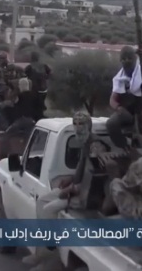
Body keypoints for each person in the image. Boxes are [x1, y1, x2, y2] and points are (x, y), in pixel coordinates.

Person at [22, 111, 98, 270]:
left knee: (49, 209)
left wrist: (72, 189)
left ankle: (51, 250)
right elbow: (82, 170)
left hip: (87, 194)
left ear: (89, 126)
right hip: (76, 187)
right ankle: (46, 249)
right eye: (75, 124)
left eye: (81, 124)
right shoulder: (85, 144)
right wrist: (70, 179)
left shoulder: (94, 147)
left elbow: (94, 178)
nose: (78, 128)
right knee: (42, 201)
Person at [106, 46, 142, 149]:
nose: (126, 61)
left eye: (129, 58)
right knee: (111, 124)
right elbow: (112, 99)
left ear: (135, 59)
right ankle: (125, 146)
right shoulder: (119, 79)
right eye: (124, 59)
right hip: (126, 113)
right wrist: (118, 108)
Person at [24, 51, 51, 120]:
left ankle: (36, 118)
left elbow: (24, 75)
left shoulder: (29, 67)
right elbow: (50, 73)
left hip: (34, 90)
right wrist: (46, 79)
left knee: (34, 106)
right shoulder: (44, 66)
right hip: (43, 90)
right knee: (40, 106)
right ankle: (40, 117)